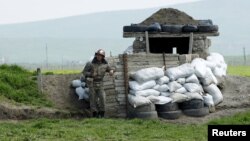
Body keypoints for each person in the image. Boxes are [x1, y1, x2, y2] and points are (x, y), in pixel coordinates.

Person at [85, 49, 114, 118]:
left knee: (102, 98)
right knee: (93, 99)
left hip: (100, 83)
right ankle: (94, 114)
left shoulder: (105, 65)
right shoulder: (90, 64)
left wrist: (111, 71)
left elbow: (111, 68)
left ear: (103, 57)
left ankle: (102, 113)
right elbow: (84, 72)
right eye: (97, 55)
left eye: (100, 56)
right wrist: (91, 74)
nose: (98, 57)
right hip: (92, 82)